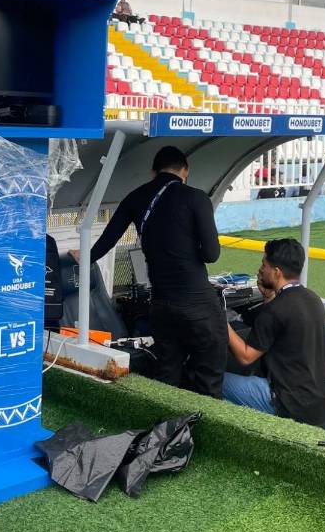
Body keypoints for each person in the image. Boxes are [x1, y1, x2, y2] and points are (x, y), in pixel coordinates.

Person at [75, 146, 226, 398]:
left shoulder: (135, 197)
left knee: (167, 376)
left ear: (152, 172)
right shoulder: (197, 198)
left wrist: (83, 257)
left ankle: (164, 434)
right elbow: (211, 254)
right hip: (199, 305)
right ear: (185, 171)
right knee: (208, 380)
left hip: (162, 305)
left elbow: (106, 241)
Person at [221, 239, 325, 426]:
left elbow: (246, 357)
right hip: (316, 405)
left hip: (285, 402)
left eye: (264, 265)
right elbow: (281, 328)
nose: (261, 269)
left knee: (211, 380)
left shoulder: (276, 310)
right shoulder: (313, 299)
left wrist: (221, 320)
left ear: (277, 272)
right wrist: (268, 298)